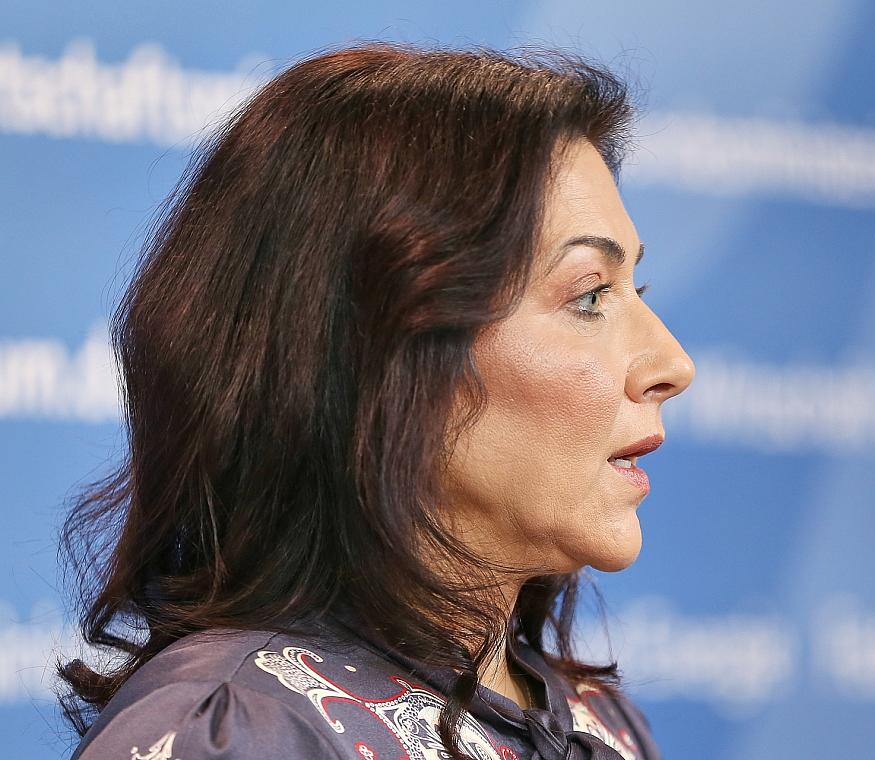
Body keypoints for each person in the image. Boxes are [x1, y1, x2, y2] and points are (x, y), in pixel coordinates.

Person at [57, 41, 695, 760]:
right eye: (589, 295)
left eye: (634, 289)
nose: (673, 364)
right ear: (377, 348)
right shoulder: (236, 732)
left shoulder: (600, 724)